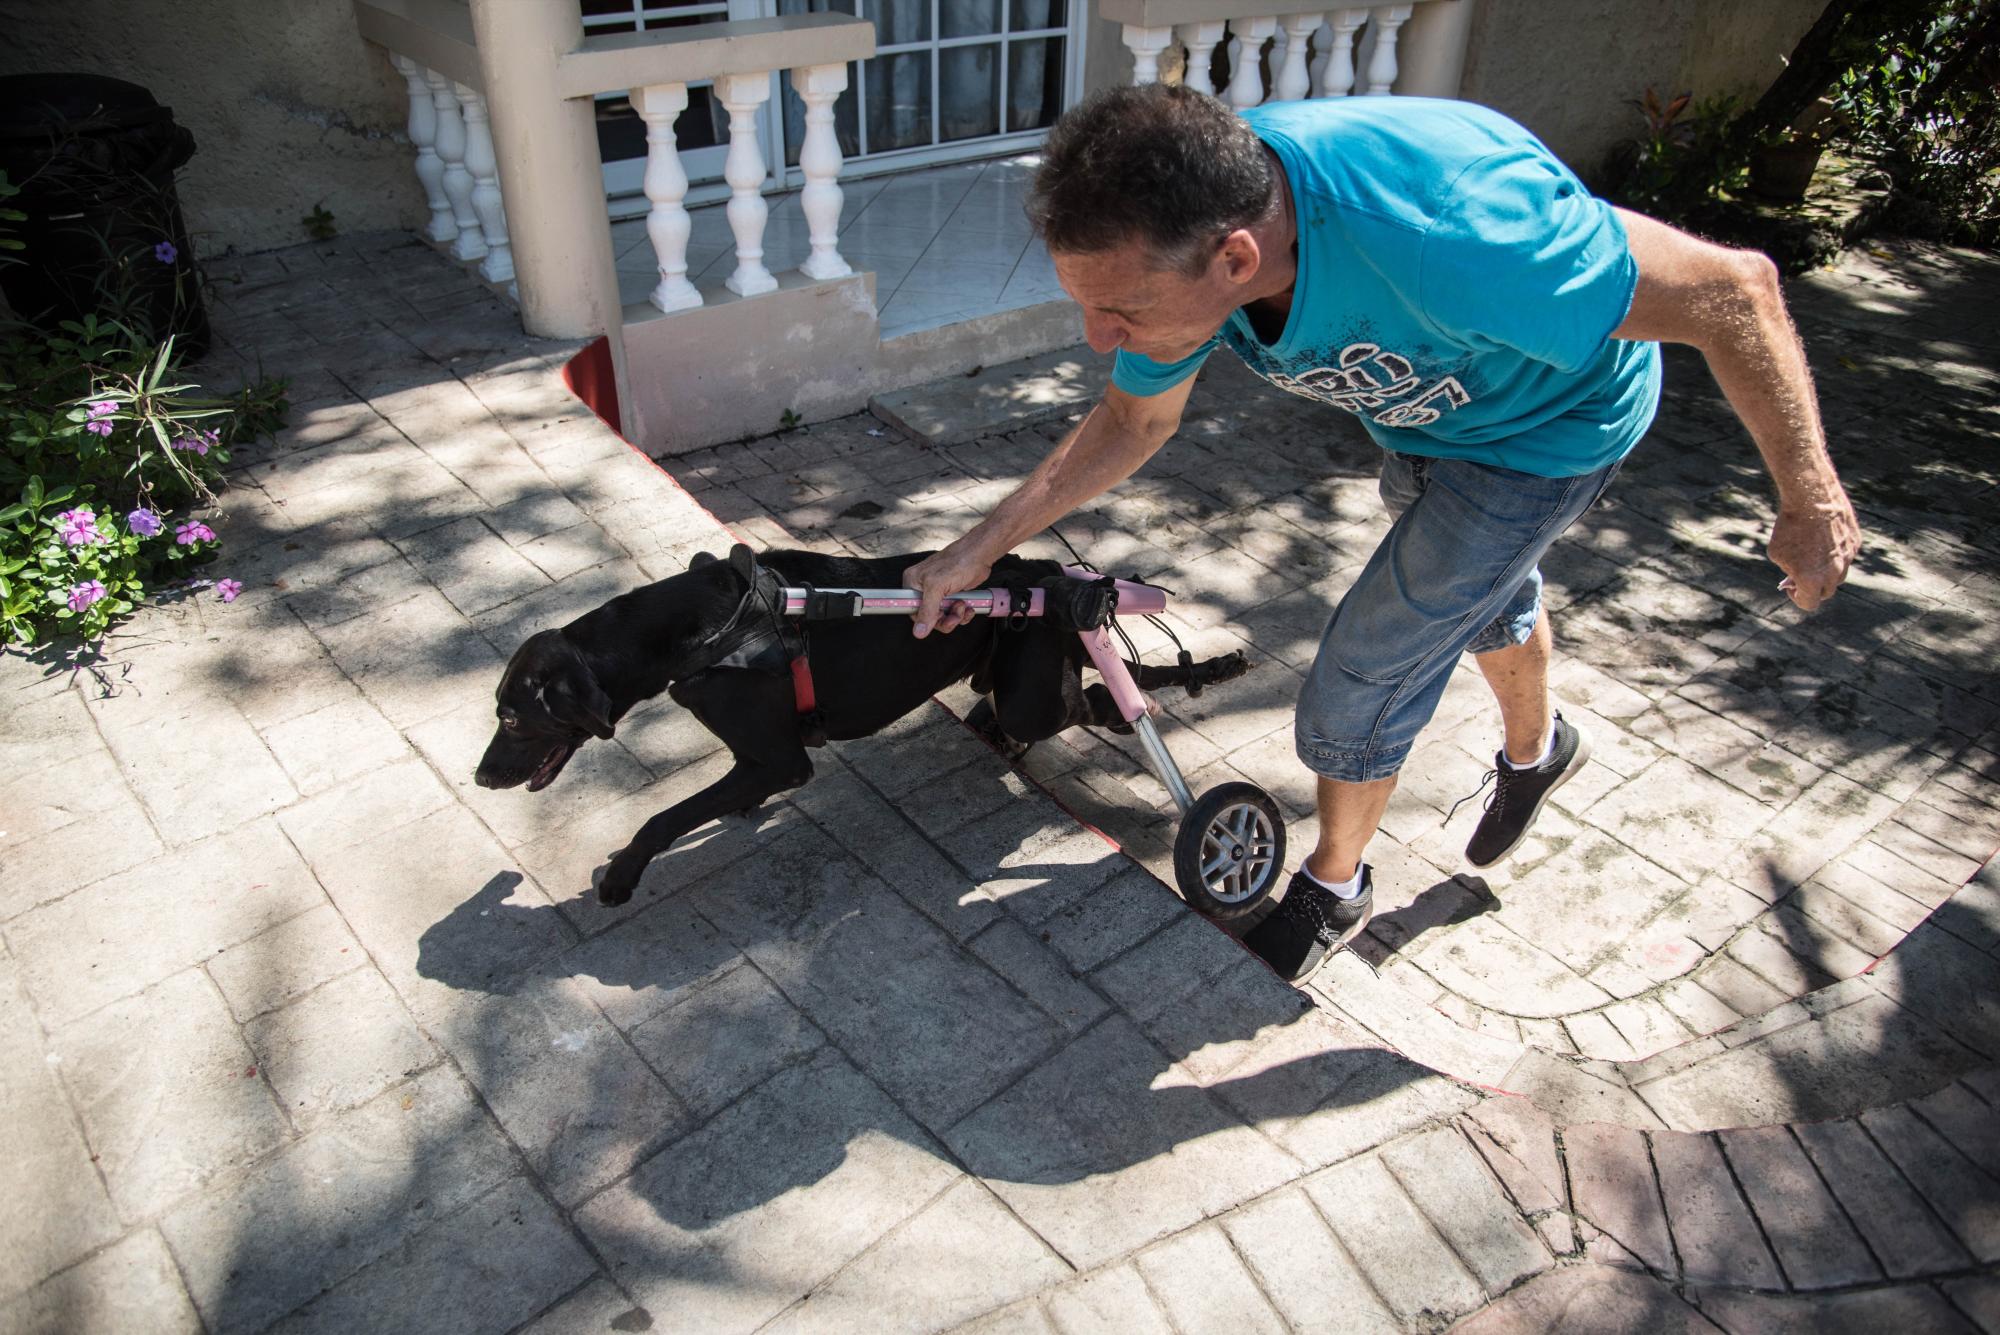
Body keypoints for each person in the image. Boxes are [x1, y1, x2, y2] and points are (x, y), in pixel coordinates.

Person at [903, 84, 1860, 986]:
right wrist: (976, 548)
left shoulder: (1457, 230)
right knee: (1482, 597)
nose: (1096, 336)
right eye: (1085, 302)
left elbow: (1736, 291)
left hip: (1549, 434)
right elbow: (1132, 420)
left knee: (1361, 676)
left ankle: (1337, 885)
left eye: (1121, 312)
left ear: (1236, 258)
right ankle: (1540, 752)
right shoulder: (1193, 223)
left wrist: (1809, 497)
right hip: (1428, 423)